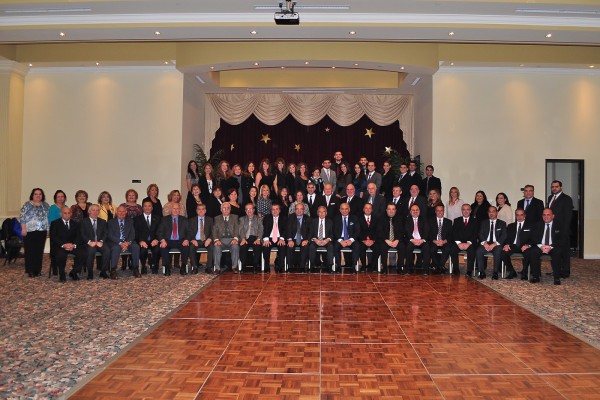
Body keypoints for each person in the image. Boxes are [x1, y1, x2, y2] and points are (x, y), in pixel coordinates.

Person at [529, 208, 566, 285]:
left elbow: (562, 239)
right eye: (544, 215)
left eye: (548, 215)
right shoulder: (537, 224)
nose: (546, 217)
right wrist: (541, 246)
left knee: (557, 252)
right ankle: (536, 276)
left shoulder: (559, 225)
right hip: (540, 246)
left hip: (553, 246)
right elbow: (533, 238)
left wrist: (550, 247)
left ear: (553, 216)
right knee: (533, 251)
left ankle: (556, 277)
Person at [20, 188, 50, 278]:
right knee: (30, 251)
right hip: (29, 231)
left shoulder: (45, 205)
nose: (38, 196)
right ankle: (30, 270)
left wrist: (48, 230)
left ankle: (38, 270)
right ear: (32, 195)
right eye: (36, 194)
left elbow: (47, 218)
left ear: (42, 195)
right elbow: (22, 217)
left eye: (40, 194)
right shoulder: (27, 204)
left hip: (42, 231)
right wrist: (23, 229)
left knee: (39, 251)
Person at [50, 206, 84, 282]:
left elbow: (79, 236)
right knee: (61, 255)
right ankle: (62, 273)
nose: (67, 215)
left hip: (72, 246)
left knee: (83, 253)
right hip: (60, 246)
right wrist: (64, 245)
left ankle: (74, 272)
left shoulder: (76, 223)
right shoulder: (55, 223)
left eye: (69, 213)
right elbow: (53, 237)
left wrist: (73, 245)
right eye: (65, 213)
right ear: (61, 214)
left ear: (71, 214)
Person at [547, 180, 574, 278]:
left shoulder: (567, 199)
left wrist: (564, 231)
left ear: (561, 187)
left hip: (563, 230)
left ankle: (565, 272)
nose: (554, 188)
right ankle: (556, 270)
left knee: (564, 252)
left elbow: (568, 216)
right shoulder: (550, 197)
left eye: (556, 186)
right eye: (552, 187)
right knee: (555, 251)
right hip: (552, 230)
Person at [107, 205, 140, 279]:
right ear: (116, 212)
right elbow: (110, 235)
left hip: (128, 242)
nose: (121, 213)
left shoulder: (130, 221)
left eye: (123, 211)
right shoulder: (110, 222)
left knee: (136, 247)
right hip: (116, 242)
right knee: (116, 248)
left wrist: (127, 243)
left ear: (126, 212)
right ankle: (113, 270)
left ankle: (135, 269)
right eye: (119, 211)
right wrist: (120, 243)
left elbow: (132, 234)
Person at [501, 208, 534, 280]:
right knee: (503, 252)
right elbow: (507, 238)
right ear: (515, 216)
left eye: (521, 215)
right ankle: (512, 271)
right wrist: (506, 244)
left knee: (529, 252)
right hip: (513, 246)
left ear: (524, 215)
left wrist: (528, 245)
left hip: (524, 246)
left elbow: (533, 238)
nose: (519, 217)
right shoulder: (510, 226)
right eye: (517, 215)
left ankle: (524, 272)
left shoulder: (530, 226)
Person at [475, 206, 508, 280]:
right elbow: (480, 234)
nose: (491, 213)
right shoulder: (484, 222)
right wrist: (484, 243)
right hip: (486, 243)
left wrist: (495, 244)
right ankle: (481, 272)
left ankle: (495, 272)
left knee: (498, 251)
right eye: (489, 212)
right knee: (479, 251)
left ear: (497, 213)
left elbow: (504, 235)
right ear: (488, 213)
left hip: (497, 244)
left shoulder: (502, 223)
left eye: (493, 211)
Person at [80, 203, 111, 280]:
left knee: (107, 250)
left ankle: (103, 271)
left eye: (97, 210)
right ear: (89, 211)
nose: (95, 212)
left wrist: (101, 241)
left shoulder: (103, 221)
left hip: (99, 242)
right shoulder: (83, 222)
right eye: (93, 210)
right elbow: (82, 234)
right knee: (91, 251)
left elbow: (105, 233)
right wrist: (89, 242)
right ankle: (90, 272)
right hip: (89, 243)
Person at [158, 203, 190, 276]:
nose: (175, 210)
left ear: (179, 210)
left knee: (186, 247)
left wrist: (186, 240)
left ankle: (183, 266)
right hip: (168, 240)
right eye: (174, 208)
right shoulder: (164, 219)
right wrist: (162, 240)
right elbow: (159, 231)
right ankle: (167, 267)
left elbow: (189, 232)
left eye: (177, 208)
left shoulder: (184, 220)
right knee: (163, 247)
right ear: (170, 210)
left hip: (181, 240)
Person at [450, 204, 479, 277]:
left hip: (470, 243)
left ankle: (469, 271)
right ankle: (456, 269)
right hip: (459, 242)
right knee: (453, 249)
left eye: (467, 209)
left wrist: (468, 243)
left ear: (470, 211)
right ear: (461, 211)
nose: (466, 211)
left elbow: (476, 234)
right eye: (464, 209)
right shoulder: (456, 220)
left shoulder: (475, 221)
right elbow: (454, 233)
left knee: (472, 251)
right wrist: (458, 243)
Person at [376, 203, 405, 274]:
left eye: (393, 209)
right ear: (386, 210)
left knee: (402, 247)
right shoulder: (381, 218)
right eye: (389, 209)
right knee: (382, 246)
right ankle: (384, 268)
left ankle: (399, 267)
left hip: (396, 240)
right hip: (385, 240)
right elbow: (379, 231)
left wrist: (397, 240)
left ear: (395, 210)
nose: (391, 211)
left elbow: (402, 231)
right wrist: (386, 240)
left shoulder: (400, 218)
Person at [332, 202, 361, 273]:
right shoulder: (336, 218)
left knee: (357, 246)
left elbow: (357, 231)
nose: (344, 211)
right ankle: (339, 267)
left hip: (351, 239)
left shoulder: (354, 218)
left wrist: (351, 240)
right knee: (335, 247)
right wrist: (340, 240)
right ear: (340, 210)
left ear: (349, 209)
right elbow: (334, 231)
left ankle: (353, 267)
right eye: (342, 209)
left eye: (346, 209)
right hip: (340, 239)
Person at [212, 202, 240, 273]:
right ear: (221, 209)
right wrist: (216, 240)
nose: (226, 210)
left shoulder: (235, 217)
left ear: (230, 209)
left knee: (235, 246)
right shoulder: (217, 218)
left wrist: (235, 238)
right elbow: (214, 230)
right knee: (216, 247)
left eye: (228, 208)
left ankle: (234, 267)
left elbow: (237, 229)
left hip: (231, 239)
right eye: (224, 208)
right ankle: (217, 268)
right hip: (221, 240)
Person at [134, 200, 161, 274]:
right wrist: (140, 241)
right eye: (145, 206)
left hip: (154, 240)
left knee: (158, 249)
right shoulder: (137, 219)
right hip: (142, 241)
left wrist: (157, 239)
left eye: (149, 206)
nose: (147, 208)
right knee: (143, 250)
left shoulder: (157, 218)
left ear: (152, 208)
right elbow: (136, 232)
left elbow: (160, 231)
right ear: (142, 208)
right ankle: (143, 265)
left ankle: (155, 265)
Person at [404, 204, 430, 275]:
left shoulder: (424, 219)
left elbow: (426, 230)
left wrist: (422, 240)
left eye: (417, 210)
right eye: (413, 210)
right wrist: (412, 239)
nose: (415, 211)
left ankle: (426, 270)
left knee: (426, 247)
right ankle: (408, 269)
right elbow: (407, 231)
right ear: (410, 211)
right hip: (411, 240)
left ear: (419, 211)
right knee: (408, 247)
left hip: (422, 240)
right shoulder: (407, 219)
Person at [262, 203, 287, 273]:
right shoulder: (267, 218)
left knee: (282, 246)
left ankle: (280, 266)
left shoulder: (284, 218)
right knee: (266, 246)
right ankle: (267, 266)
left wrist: (282, 239)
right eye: (273, 209)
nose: (275, 211)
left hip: (279, 238)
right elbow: (265, 229)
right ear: (271, 210)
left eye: (277, 209)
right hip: (269, 238)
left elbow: (285, 230)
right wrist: (266, 239)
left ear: (279, 210)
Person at [188, 203, 214, 274]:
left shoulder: (210, 220)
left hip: (206, 240)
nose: (201, 211)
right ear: (196, 211)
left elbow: (213, 232)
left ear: (205, 211)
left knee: (212, 247)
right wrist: (192, 239)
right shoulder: (191, 220)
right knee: (191, 247)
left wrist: (209, 239)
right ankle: (195, 267)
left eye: (202, 209)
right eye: (199, 209)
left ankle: (208, 267)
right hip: (196, 240)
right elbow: (189, 232)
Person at [286, 202, 311, 272]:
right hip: (293, 239)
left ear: (304, 210)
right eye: (297, 209)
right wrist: (289, 240)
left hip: (304, 239)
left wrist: (307, 240)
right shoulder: (291, 217)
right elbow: (288, 229)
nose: (299, 211)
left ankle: (302, 267)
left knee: (305, 247)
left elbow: (311, 231)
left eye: (301, 209)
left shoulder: (308, 218)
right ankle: (290, 267)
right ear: (294, 210)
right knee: (289, 247)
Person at [308, 206, 334, 273]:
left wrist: (327, 240)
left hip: (326, 239)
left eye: (323, 212)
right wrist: (315, 240)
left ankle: (330, 266)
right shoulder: (313, 221)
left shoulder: (330, 221)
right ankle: (312, 266)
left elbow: (332, 234)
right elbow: (310, 233)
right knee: (311, 246)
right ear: (317, 213)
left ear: (326, 213)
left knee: (331, 246)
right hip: (316, 239)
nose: (322, 213)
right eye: (320, 212)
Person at [428, 204, 452, 274]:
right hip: (434, 241)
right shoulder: (430, 221)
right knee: (431, 249)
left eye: (441, 210)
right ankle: (440, 266)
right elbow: (428, 234)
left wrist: (445, 241)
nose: (439, 212)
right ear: (435, 211)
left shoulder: (449, 222)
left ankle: (439, 266)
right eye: (438, 210)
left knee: (447, 249)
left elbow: (451, 235)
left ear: (444, 211)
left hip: (444, 242)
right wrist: (434, 241)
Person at [238, 203, 263, 271]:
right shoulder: (242, 219)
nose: (249, 211)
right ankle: (243, 266)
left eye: (251, 209)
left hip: (255, 238)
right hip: (245, 238)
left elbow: (261, 229)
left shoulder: (259, 219)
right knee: (243, 247)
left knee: (257, 247)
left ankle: (255, 265)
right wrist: (243, 239)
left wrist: (258, 239)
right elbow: (241, 230)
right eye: (247, 209)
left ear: (254, 210)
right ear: (245, 211)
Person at [48, 189, 68, 276]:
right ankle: (55, 270)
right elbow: (51, 221)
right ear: (55, 198)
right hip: (55, 233)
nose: (60, 198)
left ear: (65, 198)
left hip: (65, 233)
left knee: (64, 251)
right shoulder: (53, 208)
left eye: (62, 196)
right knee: (55, 251)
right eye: (58, 197)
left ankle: (62, 268)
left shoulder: (66, 207)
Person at [358, 203, 379, 272]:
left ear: (372, 210)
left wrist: (373, 240)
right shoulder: (358, 219)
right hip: (362, 240)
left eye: (369, 208)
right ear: (363, 209)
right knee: (360, 247)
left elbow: (378, 231)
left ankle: (373, 266)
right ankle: (363, 266)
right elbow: (358, 231)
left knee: (378, 247)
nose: (368, 209)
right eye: (366, 208)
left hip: (373, 240)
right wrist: (364, 240)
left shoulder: (376, 218)